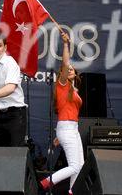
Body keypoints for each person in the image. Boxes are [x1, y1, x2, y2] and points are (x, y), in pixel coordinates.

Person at [40, 32, 83, 195]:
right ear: (63, 73)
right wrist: (66, 45)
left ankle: (72, 191)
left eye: (72, 69)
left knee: (81, 164)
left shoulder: (74, 90)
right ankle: (46, 182)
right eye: (67, 69)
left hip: (72, 129)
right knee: (74, 166)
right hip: (67, 128)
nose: (70, 69)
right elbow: (65, 63)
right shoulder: (62, 84)